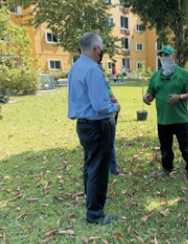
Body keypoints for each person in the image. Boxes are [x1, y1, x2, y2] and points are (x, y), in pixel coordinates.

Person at [67, 32, 121, 224]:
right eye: (101, 47)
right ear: (96, 48)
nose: (102, 50)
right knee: (98, 168)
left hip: (83, 126)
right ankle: (95, 214)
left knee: (90, 165)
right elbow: (100, 105)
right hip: (97, 125)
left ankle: (92, 201)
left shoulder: (75, 67)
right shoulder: (92, 69)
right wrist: (114, 107)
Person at [143, 45, 188, 181]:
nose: (164, 58)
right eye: (161, 55)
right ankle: (167, 168)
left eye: (166, 55)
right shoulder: (156, 76)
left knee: (185, 147)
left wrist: (180, 97)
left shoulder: (183, 74)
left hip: (180, 119)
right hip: (163, 120)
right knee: (165, 148)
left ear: (173, 57)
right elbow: (151, 93)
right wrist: (146, 97)